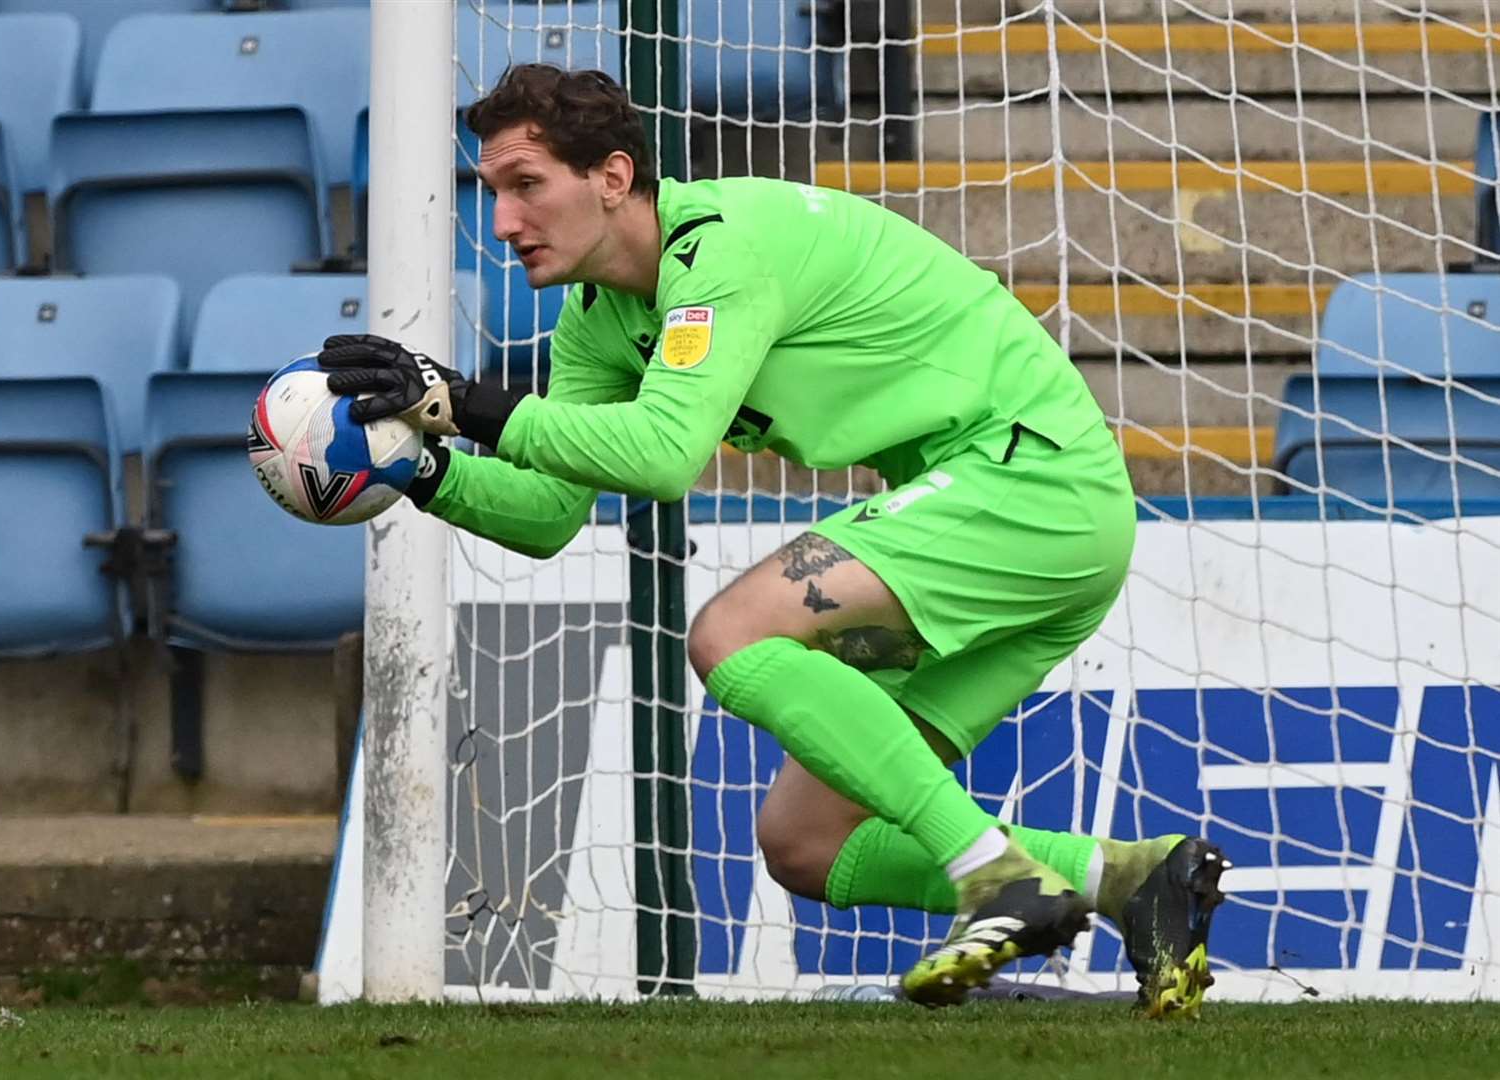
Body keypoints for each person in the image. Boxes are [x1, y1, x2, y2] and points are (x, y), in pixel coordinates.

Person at [318, 62, 1227, 1014]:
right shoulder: (596, 318)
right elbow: (550, 512)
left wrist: (463, 402)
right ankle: (1132, 878)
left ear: (615, 178)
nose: (502, 223)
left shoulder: (721, 250)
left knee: (729, 633)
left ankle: (995, 879)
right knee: (805, 842)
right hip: (1002, 519)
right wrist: (423, 470)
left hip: (1030, 483)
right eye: (493, 192)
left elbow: (665, 455)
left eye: (526, 186)